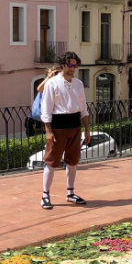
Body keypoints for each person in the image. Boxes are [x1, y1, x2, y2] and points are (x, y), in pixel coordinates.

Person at [39, 52, 91, 209]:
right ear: (63, 65)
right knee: (51, 162)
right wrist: (49, 131)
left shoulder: (78, 84)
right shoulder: (52, 83)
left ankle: (70, 193)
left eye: (75, 65)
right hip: (58, 126)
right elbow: (46, 109)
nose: (73, 68)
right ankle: (45, 195)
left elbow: (83, 108)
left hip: (75, 125)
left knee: (72, 161)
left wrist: (87, 130)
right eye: (70, 65)